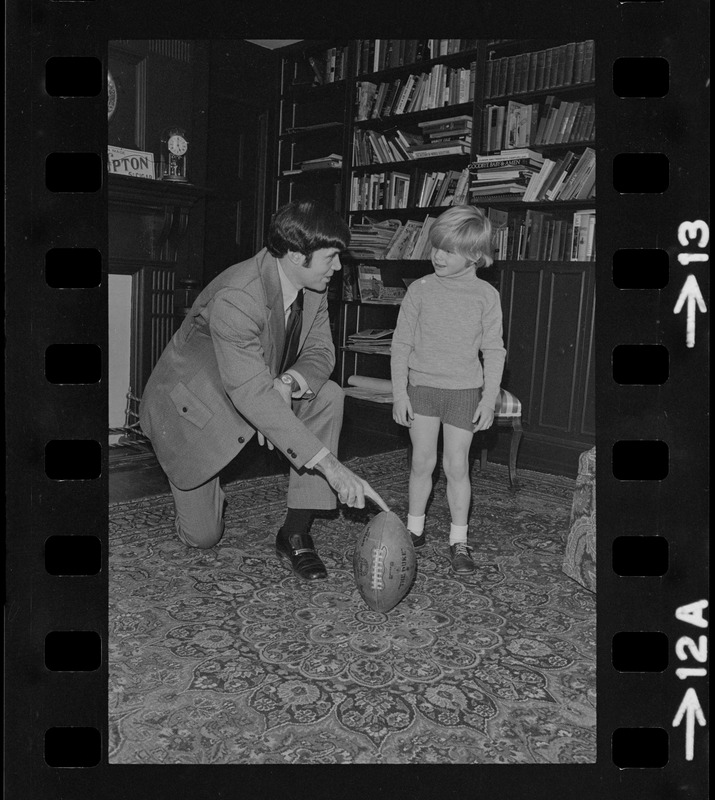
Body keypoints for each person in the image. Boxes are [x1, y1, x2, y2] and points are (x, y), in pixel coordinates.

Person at [140, 199, 389, 580]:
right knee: (203, 536)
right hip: (194, 408)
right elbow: (250, 393)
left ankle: (295, 531)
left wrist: (288, 381)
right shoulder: (238, 295)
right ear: (294, 254)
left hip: (254, 383)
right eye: (330, 258)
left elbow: (321, 352)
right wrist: (334, 469)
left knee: (328, 395)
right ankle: (206, 481)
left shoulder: (314, 286)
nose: (338, 268)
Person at [390, 205, 506, 575]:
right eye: (435, 246)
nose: (437, 255)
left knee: (457, 466)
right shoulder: (420, 290)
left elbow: (493, 350)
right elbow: (400, 345)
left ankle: (459, 539)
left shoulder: (486, 295)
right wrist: (399, 393)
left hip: (463, 392)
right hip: (422, 388)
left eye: (448, 250)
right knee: (422, 462)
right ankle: (414, 529)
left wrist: (488, 400)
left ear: (475, 255)